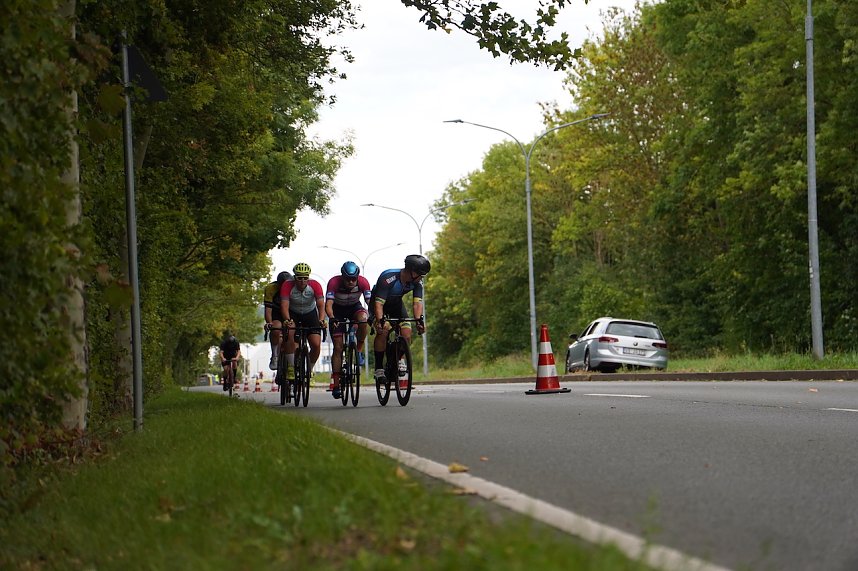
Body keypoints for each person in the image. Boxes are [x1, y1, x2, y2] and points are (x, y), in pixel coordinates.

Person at [370, 254, 429, 387]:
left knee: (407, 333)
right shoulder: (388, 278)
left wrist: (419, 321)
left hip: (396, 305)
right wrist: (379, 321)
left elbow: (417, 304)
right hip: (379, 304)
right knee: (383, 329)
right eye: (421, 274)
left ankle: (396, 359)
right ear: (412, 271)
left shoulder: (417, 283)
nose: (422, 278)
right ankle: (379, 368)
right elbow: (379, 305)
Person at [325, 261, 372, 399]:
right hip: (337, 311)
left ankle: (358, 351)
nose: (351, 282)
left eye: (354, 279)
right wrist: (332, 318)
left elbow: (370, 302)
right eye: (348, 279)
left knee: (363, 319)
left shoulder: (363, 282)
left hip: (354, 308)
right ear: (342, 276)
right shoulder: (334, 282)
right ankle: (336, 384)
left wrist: (374, 316)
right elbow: (328, 304)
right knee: (338, 348)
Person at [279, 262, 326, 383]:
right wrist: (288, 320)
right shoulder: (287, 285)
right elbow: (284, 306)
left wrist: (321, 319)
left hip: (310, 314)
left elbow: (321, 306)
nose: (302, 281)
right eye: (299, 278)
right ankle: (290, 367)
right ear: (295, 277)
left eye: (305, 278)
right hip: (293, 313)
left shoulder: (315, 285)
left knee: (316, 344)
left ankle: (308, 369)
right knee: (290, 334)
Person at [263, 270, 292, 370]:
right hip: (276, 312)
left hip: (291, 311)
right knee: (276, 328)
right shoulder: (271, 288)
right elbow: (268, 310)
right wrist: (269, 323)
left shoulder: (294, 287)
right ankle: (275, 355)